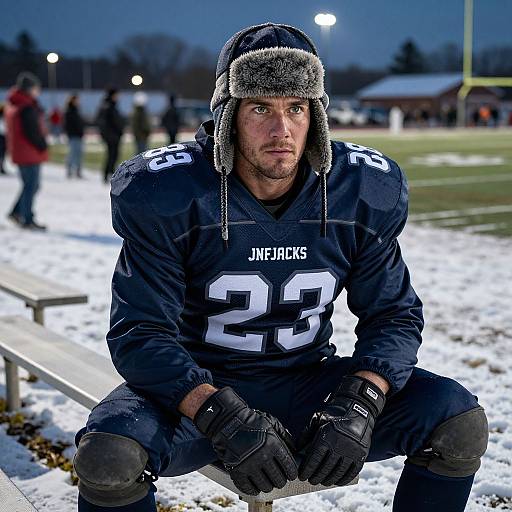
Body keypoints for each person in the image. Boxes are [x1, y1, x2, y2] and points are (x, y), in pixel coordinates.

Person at [73, 23, 488, 512]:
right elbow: (141, 333)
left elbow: (394, 317)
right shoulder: (172, 192)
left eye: (296, 107)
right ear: (228, 116)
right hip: (196, 393)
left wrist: (359, 403)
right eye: (260, 108)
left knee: (458, 424)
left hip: (309, 383)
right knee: (109, 456)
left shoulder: (358, 190)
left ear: (317, 116)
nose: (281, 130)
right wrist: (219, 414)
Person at [5, 72, 48, 230]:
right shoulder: (26, 107)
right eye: (36, 88)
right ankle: (27, 218)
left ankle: (16, 212)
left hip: (21, 151)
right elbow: (31, 131)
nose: (38, 91)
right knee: (32, 185)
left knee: (29, 185)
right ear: (29, 88)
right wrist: (42, 144)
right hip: (28, 151)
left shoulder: (16, 103)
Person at [96, 87, 124, 183]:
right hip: (112, 136)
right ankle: (108, 174)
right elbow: (112, 122)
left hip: (113, 135)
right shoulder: (108, 107)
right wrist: (118, 130)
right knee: (112, 155)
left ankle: (109, 174)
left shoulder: (108, 106)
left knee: (113, 155)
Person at [64, 94, 85, 178]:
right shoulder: (68, 111)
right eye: (76, 100)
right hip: (73, 135)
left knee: (79, 154)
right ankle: (69, 170)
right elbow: (68, 125)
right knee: (72, 154)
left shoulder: (77, 110)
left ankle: (78, 171)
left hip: (79, 135)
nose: (78, 102)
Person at [0, 102, 7, 175]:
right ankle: (1, 167)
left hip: (3, 137)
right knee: (2, 153)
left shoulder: (4, 118)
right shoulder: (3, 118)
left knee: (2, 153)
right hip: (2, 137)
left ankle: (1, 167)